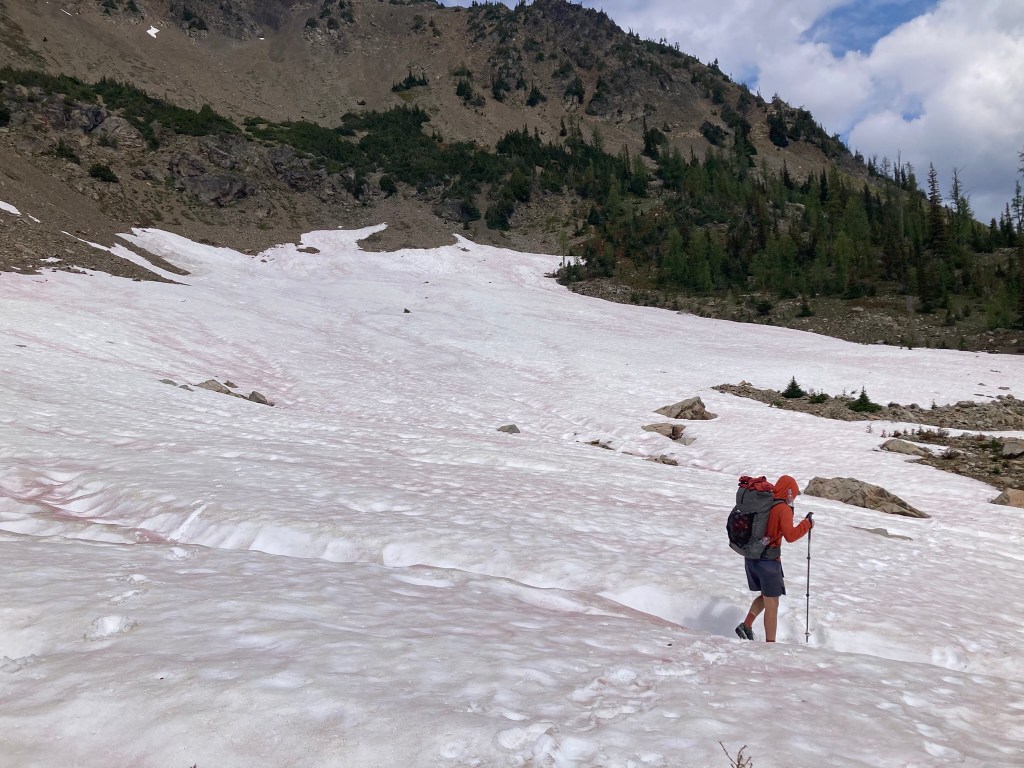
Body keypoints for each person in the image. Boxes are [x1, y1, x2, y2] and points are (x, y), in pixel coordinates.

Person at [735, 474, 812, 643]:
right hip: (768, 562)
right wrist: (807, 524)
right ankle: (770, 645)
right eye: (794, 494)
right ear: (789, 492)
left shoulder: (765, 502)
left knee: (766, 596)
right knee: (772, 604)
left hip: (752, 557)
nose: (794, 498)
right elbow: (790, 536)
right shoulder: (782, 509)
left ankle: (746, 625)